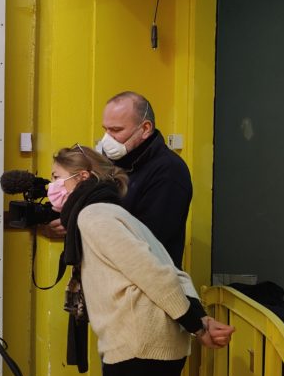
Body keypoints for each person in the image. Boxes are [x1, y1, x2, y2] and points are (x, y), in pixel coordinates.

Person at [49, 145, 232, 376]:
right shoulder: (112, 212)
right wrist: (200, 319)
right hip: (148, 343)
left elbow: (154, 274)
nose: (51, 186)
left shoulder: (94, 217)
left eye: (56, 176)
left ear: (83, 177)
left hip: (139, 345)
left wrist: (197, 325)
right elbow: (170, 267)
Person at [44, 91, 193, 268]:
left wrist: (80, 227)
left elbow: (147, 239)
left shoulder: (168, 170)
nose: (108, 138)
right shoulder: (115, 163)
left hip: (144, 282)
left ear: (145, 128)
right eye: (105, 129)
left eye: (116, 130)